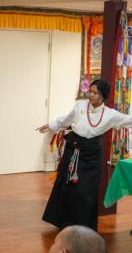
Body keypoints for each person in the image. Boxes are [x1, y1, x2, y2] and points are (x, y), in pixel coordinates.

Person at [37, 79, 132, 230]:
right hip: (73, 150)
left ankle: (84, 225)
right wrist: (51, 125)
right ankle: (63, 222)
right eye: (90, 92)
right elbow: (66, 119)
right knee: (67, 187)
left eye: (95, 93)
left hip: (92, 156)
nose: (91, 95)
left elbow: (129, 120)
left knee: (86, 191)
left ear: (103, 96)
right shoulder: (80, 106)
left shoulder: (111, 114)